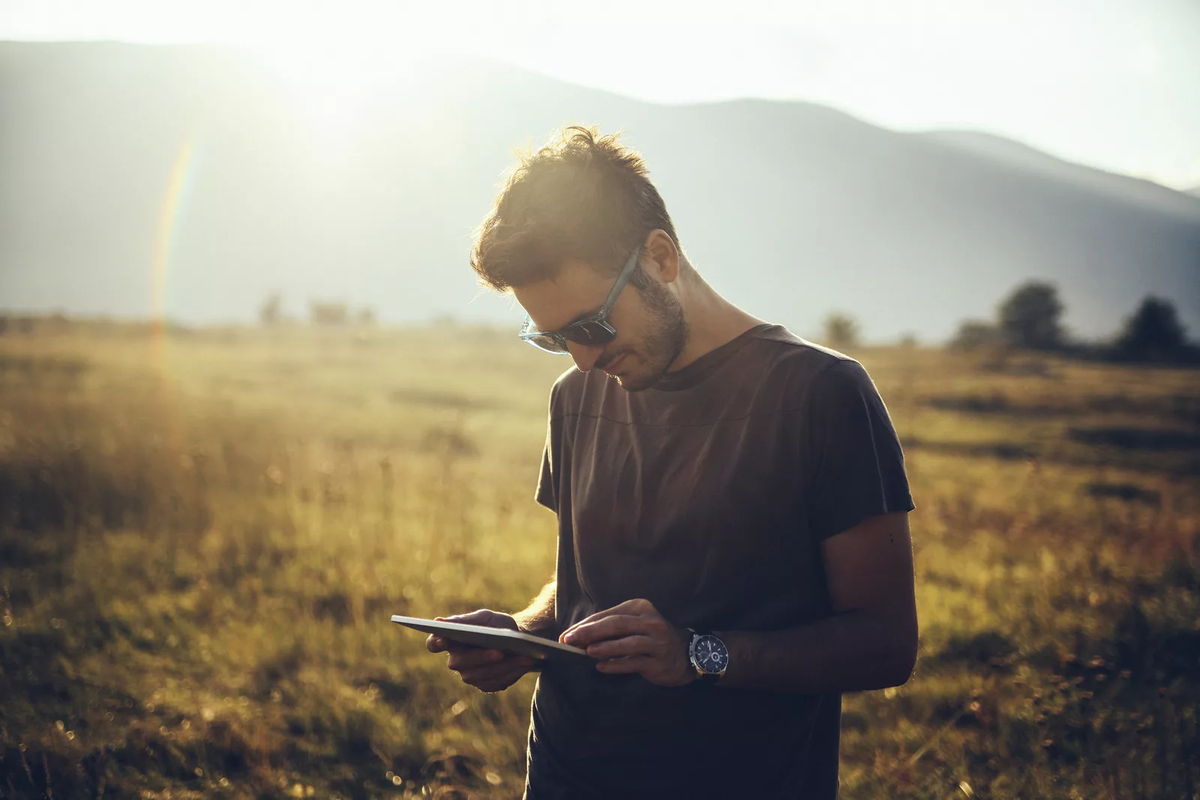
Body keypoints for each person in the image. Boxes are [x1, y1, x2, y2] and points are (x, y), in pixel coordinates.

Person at [426, 126, 918, 799]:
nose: (584, 358)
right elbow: (585, 586)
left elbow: (886, 642)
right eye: (553, 338)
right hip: (568, 772)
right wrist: (523, 635)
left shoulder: (820, 394)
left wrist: (696, 653)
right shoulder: (576, 397)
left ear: (659, 257)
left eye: (592, 326)